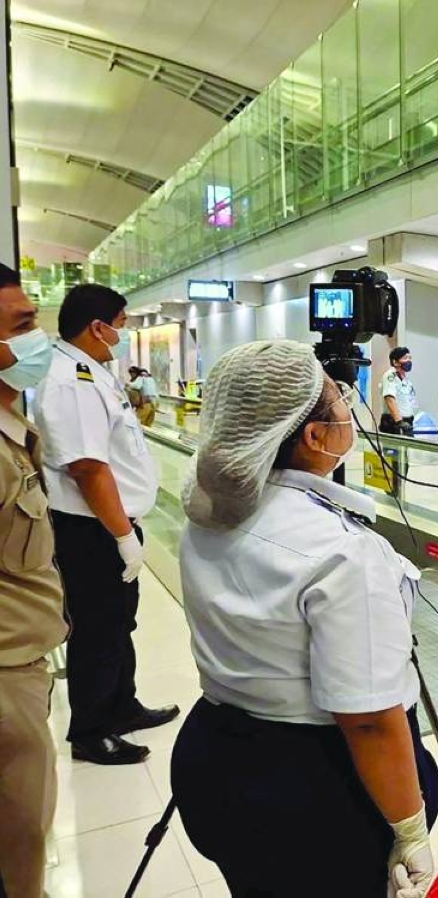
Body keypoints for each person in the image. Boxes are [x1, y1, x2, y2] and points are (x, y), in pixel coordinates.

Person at [172, 340, 438, 897]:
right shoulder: (339, 551)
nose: (348, 403)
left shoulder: (208, 511)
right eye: (337, 396)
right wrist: (410, 827)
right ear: (317, 436)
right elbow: (366, 717)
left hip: (217, 758)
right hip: (311, 790)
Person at [35, 284, 175, 765]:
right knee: (96, 629)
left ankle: (122, 706)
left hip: (110, 524)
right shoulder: (71, 380)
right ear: (98, 327)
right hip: (91, 531)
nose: (124, 330)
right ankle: (91, 732)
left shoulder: (91, 372)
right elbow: (87, 468)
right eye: (122, 321)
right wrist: (121, 537)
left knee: (119, 623)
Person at [0, 265, 66, 898]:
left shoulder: (14, 432)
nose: (35, 339)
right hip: (3, 679)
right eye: (21, 328)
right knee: (17, 863)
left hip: (24, 667)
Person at [381, 346, 419, 436]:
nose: (409, 361)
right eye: (405, 358)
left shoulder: (407, 380)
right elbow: (389, 399)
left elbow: (411, 401)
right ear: (395, 362)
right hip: (394, 422)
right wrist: (399, 422)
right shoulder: (390, 376)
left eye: (410, 358)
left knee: (408, 449)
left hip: (408, 421)